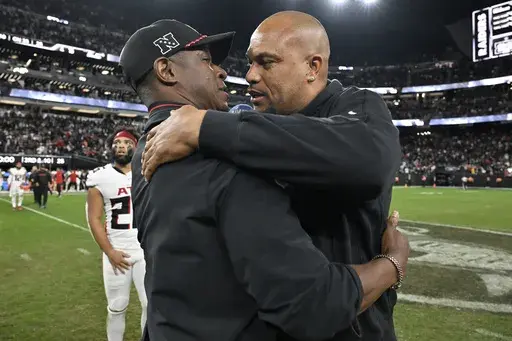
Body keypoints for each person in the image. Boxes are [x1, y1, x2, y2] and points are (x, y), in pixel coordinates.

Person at [120, 19, 409, 341]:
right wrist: (393, 264)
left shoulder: (355, 106)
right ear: (166, 71)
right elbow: (309, 301)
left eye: (266, 62)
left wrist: (206, 126)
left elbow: (368, 159)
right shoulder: (204, 147)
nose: (247, 75)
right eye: (249, 62)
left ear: (313, 67)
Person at [85, 127, 147, 341]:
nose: (121, 146)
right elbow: (93, 218)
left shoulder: (148, 171)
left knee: (150, 305)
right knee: (117, 307)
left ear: (136, 147)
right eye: (117, 143)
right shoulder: (99, 176)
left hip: (145, 249)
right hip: (117, 250)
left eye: (127, 143)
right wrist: (110, 251)